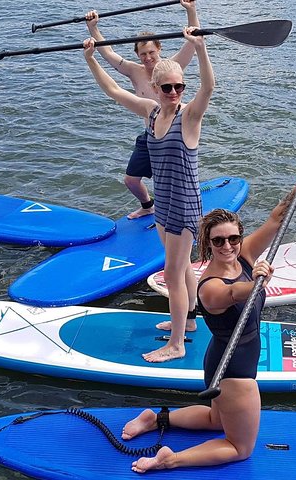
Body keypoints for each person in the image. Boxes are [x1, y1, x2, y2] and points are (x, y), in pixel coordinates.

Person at [119, 164, 296, 473]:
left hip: (223, 362)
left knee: (215, 420)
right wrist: (258, 281)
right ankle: (170, 460)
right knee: (240, 448)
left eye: (233, 239)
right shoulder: (209, 286)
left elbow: (277, 219)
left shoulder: (244, 255)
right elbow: (237, 293)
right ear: (207, 244)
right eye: (219, 241)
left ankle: (155, 418)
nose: (228, 246)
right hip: (234, 371)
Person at [83, 25, 212, 363]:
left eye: (179, 87)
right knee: (181, 270)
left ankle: (177, 344)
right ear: (155, 88)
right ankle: (189, 322)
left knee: (172, 272)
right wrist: (91, 59)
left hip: (184, 205)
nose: (173, 92)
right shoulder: (151, 112)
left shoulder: (190, 117)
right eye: (167, 87)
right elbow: (113, 90)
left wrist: (199, 49)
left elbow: (209, 87)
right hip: (164, 203)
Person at [84, 1, 199, 220]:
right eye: (143, 54)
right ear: (137, 55)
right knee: (130, 179)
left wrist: (191, 11)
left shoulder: (171, 68)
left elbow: (193, 43)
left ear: (159, 50)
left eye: (151, 52)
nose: (148, 58)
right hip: (150, 134)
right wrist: (93, 29)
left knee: (170, 179)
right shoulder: (133, 71)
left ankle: (180, 210)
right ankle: (148, 205)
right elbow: (106, 53)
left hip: (173, 132)